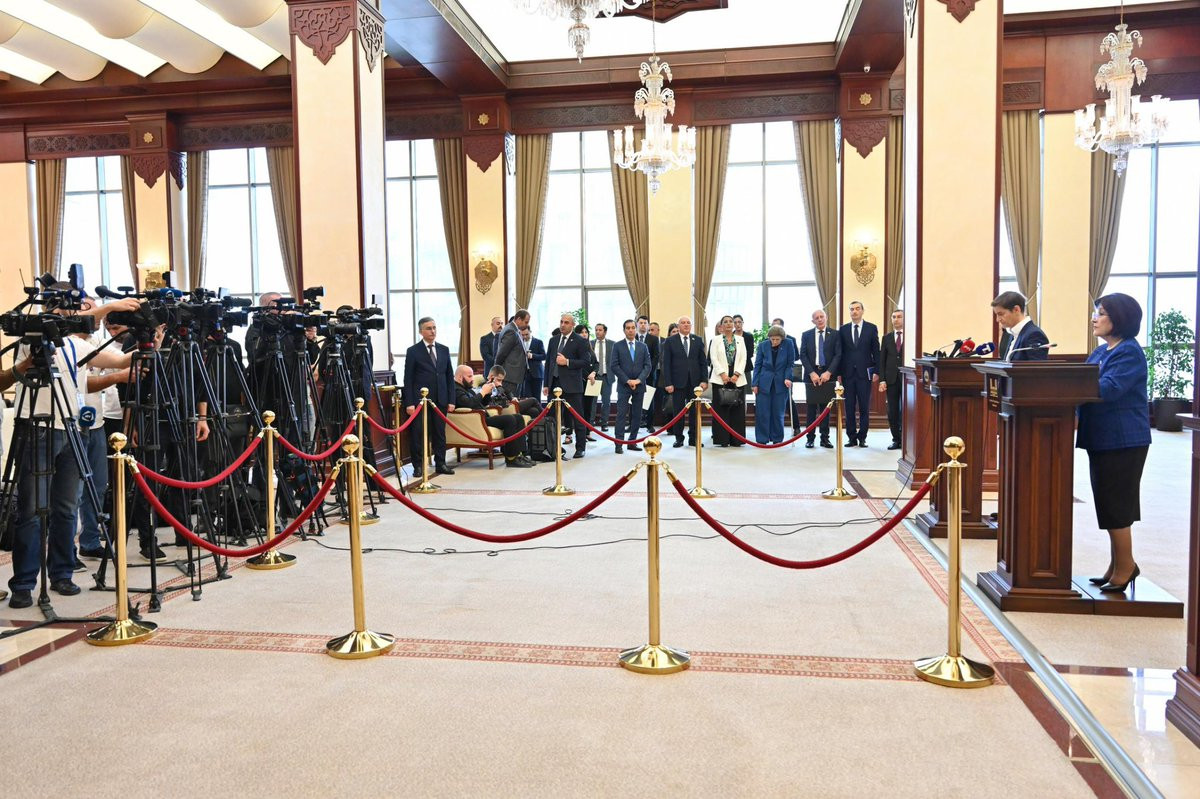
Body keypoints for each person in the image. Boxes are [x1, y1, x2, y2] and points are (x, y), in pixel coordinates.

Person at [6, 292, 140, 608]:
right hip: (37, 427)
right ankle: (24, 583)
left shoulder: (78, 346)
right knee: (32, 510)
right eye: (74, 310)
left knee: (66, 507)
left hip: (72, 427)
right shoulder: (30, 340)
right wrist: (109, 307)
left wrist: (152, 339)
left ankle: (62, 574)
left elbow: (121, 361)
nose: (81, 317)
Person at [1077, 293, 1152, 594]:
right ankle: (1116, 564)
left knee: (1117, 504)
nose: (1094, 318)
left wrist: (1070, 387)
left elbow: (1109, 388)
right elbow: (1083, 381)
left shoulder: (1129, 352)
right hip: (1102, 437)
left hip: (1123, 439)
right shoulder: (1101, 351)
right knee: (1107, 504)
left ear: (1119, 318)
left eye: (1101, 313)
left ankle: (1126, 566)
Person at [403, 317, 456, 476]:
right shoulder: (413, 351)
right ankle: (418, 466)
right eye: (428, 328)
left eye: (434, 327)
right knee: (418, 434)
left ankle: (441, 463)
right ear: (421, 331)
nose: (433, 331)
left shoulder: (444, 349)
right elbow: (408, 379)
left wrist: (451, 400)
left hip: (441, 399)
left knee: (440, 433)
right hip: (420, 401)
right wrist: (409, 403)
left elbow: (449, 376)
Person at [453, 365, 534, 468]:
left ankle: (520, 454)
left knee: (518, 417)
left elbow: (481, 403)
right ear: (460, 377)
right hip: (475, 420)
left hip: (482, 418)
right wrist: (483, 392)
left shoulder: (467, 388)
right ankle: (511, 458)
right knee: (509, 419)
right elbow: (469, 403)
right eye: (469, 376)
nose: (472, 379)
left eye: (472, 376)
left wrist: (487, 393)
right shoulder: (456, 390)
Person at [543, 314, 591, 458]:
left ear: (572, 325)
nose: (563, 325)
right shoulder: (553, 340)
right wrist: (546, 384)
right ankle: (553, 448)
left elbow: (585, 362)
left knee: (578, 417)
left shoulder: (580, 341)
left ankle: (580, 448)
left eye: (566, 322)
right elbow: (549, 363)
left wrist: (567, 362)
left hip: (572, 385)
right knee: (551, 418)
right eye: (561, 322)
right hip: (554, 384)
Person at [660, 316, 708, 448]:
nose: (686, 325)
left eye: (688, 323)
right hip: (677, 383)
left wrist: (704, 380)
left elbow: (703, 362)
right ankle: (679, 438)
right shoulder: (670, 341)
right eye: (683, 323)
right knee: (678, 412)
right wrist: (668, 383)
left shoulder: (697, 340)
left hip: (695, 383)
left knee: (694, 412)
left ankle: (694, 438)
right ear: (678, 326)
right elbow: (666, 364)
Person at [838, 301, 879, 448]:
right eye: (851, 309)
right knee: (849, 407)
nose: (854, 312)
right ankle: (851, 437)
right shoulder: (843, 329)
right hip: (848, 374)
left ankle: (862, 437)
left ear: (862, 311)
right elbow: (839, 353)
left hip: (864, 374)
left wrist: (877, 371)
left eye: (857, 309)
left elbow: (876, 351)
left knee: (864, 407)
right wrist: (838, 373)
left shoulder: (871, 328)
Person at [799, 310, 841, 449]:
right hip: (811, 375)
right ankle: (810, 438)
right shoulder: (806, 335)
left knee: (825, 408)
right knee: (811, 409)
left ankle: (825, 439)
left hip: (828, 375)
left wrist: (829, 372)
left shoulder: (835, 334)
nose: (820, 319)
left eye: (822, 317)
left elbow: (838, 355)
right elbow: (803, 355)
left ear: (826, 317)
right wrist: (811, 373)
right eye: (816, 318)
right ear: (813, 321)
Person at [610, 319, 651, 453]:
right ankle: (619, 443)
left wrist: (638, 380)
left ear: (636, 329)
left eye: (633, 327)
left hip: (639, 385)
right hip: (624, 385)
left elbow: (648, 366)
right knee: (621, 414)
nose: (631, 330)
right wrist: (628, 381)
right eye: (628, 328)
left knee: (637, 415)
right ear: (624, 330)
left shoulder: (643, 346)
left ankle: (632, 442)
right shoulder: (617, 346)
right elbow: (614, 366)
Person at [751, 325, 796, 445]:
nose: (774, 342)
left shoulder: (788, 344)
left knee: (778, 412)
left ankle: (777, 438)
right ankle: (762, 439)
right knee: (762, 412)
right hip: (764, 382)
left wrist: (788, 377)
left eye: (777, 339)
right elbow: (757, 365)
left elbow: (790, 364)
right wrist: (755, 383)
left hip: (781, 382)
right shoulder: (763, 345)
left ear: (782, 338)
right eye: (772, 339)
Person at [707, 315, 747, 446]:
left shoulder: (740, 339)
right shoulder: (716, 340)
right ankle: (722, 439)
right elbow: (713, 358)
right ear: (721, 326)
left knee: (737, 409)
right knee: (721, 410)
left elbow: (744, 358)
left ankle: (736, 440)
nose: (729, 324)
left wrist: (736, 374)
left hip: (737, 378)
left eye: (731, 321)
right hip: (720, 378)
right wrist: (723, 374)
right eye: (726, 322)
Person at [993, 291, 1050, 361]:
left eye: (1001, 314)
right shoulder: (1012, 333)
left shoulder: (1034, 335)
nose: (997, 319)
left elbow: (1037, 367)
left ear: (1016, 310)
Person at [878, 309, 905, 450]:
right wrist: (882, 380)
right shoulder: (887, 338)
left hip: (907, 379)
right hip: (891, 379)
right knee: (892, 411)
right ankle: (896, 439)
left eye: (899, 317)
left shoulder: (911, 336)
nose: (896, 319)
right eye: (894, 317)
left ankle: (906, 439)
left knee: (906, 410)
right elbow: (882, 360)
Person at [771, 317, 801, 429]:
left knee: (788, 400)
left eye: (777, 326)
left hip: (786, 374)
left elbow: (796, 356)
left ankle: (796, 427)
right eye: (773, 326)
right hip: (772, 375)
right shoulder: (768, 340)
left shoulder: (790, 339)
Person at [494, 310, 531, 397]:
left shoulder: (513, 329)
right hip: (510, 377)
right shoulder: (511, 331)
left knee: (514, 402)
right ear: (519, 319)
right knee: (511, 403)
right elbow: (502, 354)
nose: (527, 325)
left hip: (514, 376)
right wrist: (496, 371)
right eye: (526, 322)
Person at [635, 315, 660, 432]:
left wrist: (648, 370)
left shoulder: (653, 339)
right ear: (637, 324)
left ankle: (650, 425)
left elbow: (656, 356)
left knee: (649, 399)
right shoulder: (633, 337)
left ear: (648, 325)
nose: (643, 325)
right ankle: (633, 424)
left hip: (649, 375)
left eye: (645, 323)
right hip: (634, 375)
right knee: (633, 400)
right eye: (640, 323)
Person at [575, 324, 599, 443]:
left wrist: (594, 373)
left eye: (586, 332)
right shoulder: (575, 347)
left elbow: (596, 363)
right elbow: (579, 365)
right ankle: (580, 434)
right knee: (581, 409)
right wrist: (587, 376)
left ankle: (588, 432)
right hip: (581, 382)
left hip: (591, 382)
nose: (584, 334)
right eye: (581, 332)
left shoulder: (590, 346)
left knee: (589, 407)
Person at [590, 323, 614, 430]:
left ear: (605, 332)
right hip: (594, 376)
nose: (597, 332)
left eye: (600, 330)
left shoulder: (612, 344)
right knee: (592, 401)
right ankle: (590, 422)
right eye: (596, 330)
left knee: (606, 401)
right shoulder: (590, 343)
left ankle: (604, 423)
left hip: (606, 376)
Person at [521, 327, 545, 400]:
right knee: (527, 398)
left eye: (526, 334)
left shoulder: (538, 342)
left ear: (530, 331)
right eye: (522, 335)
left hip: (536, 374)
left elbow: (544, 356)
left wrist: (532, 356)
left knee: (537, 397)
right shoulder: (520, 343)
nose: (525, 337)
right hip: (524, 374)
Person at [733, 314, 755, 386]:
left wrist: (739, 357)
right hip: (732, 366)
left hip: (746, 366)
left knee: (746, 389)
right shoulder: (730, 336)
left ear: (743, 323)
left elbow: (750, 353)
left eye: (739, 322)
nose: (737, 324)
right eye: (735, 322)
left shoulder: (748, 336)